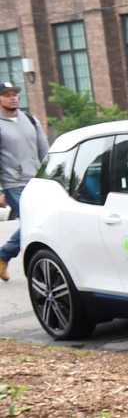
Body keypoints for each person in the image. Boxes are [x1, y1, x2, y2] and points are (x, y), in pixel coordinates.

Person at [0, 80, 49, 283]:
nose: (13, 97)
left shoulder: (30, 119)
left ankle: (3, 256)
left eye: (15, 93)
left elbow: (45, 150)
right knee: (34, 221)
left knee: (41, 221)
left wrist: (52, 177)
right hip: (13, 184)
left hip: (37, 181)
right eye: (7, 94)